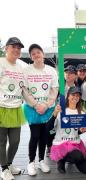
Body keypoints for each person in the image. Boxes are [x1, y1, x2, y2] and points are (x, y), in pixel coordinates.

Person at [23, 44, 59, 176]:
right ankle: (31, 162)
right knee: (35, 135)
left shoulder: (51, 71)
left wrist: (46, 104)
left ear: (43, 54)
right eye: (33, 54)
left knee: (44, 135)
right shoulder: (26, 71)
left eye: (38, 52)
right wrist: (36, 105)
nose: (36, 55)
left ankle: (42, 160)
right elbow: (25, 90)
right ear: (31, 57)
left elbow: (54, 89)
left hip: (47, 108)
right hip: (32, 109)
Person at [0, 37, 26, 180]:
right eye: (13, 46)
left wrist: (36, 104)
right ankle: (3, 169)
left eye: (19, 47)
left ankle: (9, 164)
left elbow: (23, 89)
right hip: (1, 107)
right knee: (1, 141)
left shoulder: (21, 67)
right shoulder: (0, 63)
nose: (16, 50)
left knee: (15, 141)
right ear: (6, 48)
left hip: (16, 108)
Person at [49, 86, 86, 174]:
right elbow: (48, 128)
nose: (75, 97)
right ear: (68, 96)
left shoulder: (81, 113)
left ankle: (70, 157)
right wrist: (55, 114)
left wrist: (82, 130)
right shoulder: (61, 111)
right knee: (78, 156)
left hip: (75, 143)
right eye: (73, 95)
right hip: (61, 143)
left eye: (78, 95)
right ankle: (61, 160)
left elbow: (77, 131)